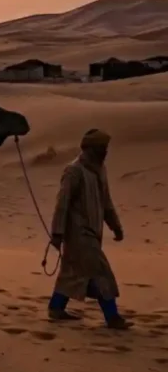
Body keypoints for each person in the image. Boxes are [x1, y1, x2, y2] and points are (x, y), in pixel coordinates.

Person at [47, 129, 132, 330]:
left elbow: (106, 203)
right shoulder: (74, 171)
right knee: (102, 273)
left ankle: (56, 308)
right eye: (102, 147)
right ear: (91, 148)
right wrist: (57, 233)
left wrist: (115, 226)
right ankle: (112, 317)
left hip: (94, 233)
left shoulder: (100, 170)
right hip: (78, 234)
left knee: (72, 273)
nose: (105, 151)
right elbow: (63, 204)